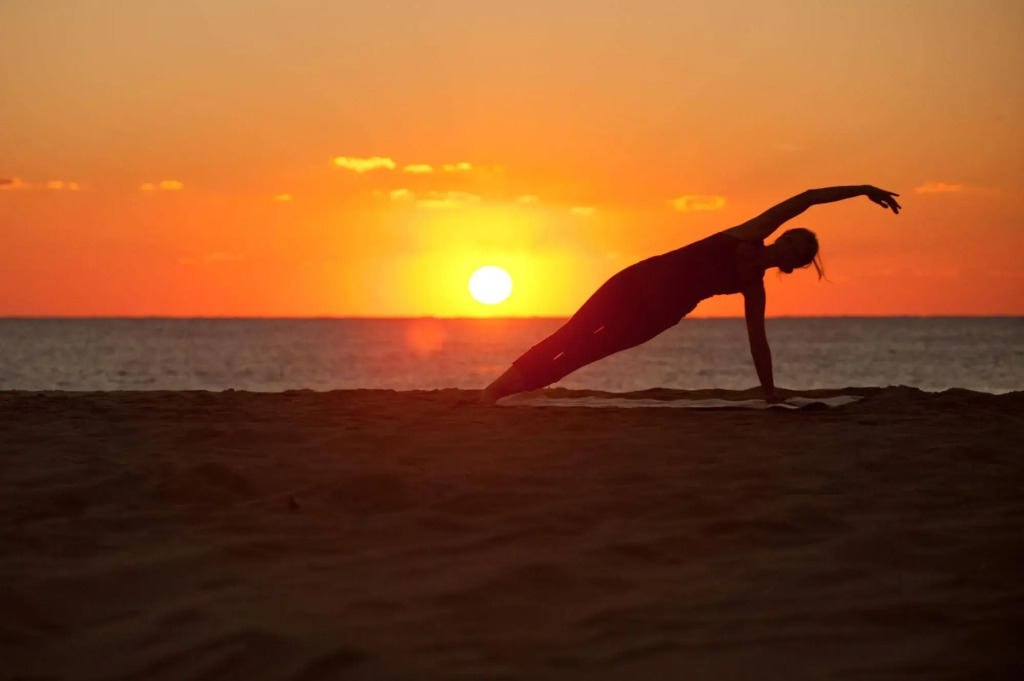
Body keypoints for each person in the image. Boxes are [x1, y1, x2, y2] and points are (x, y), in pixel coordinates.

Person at [481, 184, 901, 403]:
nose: (789, 246)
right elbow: (807, 198)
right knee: (569, 335)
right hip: (637, 281)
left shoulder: (753, 288)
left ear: (794, 263)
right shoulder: (751, 232)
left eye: (798, 252)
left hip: (657, 315)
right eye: (792, 238)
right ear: (782, 235)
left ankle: (501, 395)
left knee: (582, 354)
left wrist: (770, 393)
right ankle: (491, 392)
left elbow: (758, 342)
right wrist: (864, 189)